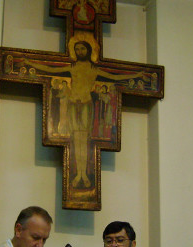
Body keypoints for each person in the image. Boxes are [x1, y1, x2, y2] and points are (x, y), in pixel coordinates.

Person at [25, 41, 143, 189]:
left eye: (82, 49)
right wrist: (31, 64)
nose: (79, 51)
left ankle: (84, 174)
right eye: (77, 49)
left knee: (84, 141)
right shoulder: (72, 67)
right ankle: (79, 173)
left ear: (88, 50)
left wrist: (136, 75)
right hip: (73, 105)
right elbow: (51, 70)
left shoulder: (94, 69)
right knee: (75, 140)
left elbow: (114, 76)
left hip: (86, 105)